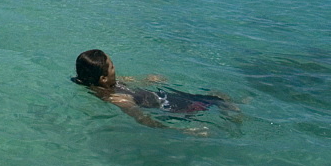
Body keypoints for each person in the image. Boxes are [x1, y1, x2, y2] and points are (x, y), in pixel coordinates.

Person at [73, 49, 238, 129]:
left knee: (216, 97)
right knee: (217, 99)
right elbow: (144, 120)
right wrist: (185, 132)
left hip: (163, 97)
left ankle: (233, 109)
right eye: (112, 66)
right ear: (103, 78)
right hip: (171, 108)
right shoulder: (118, 99)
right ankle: (235, 117)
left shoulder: (105, 83)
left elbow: (129, 81)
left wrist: (148, 80)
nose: (115, 68)